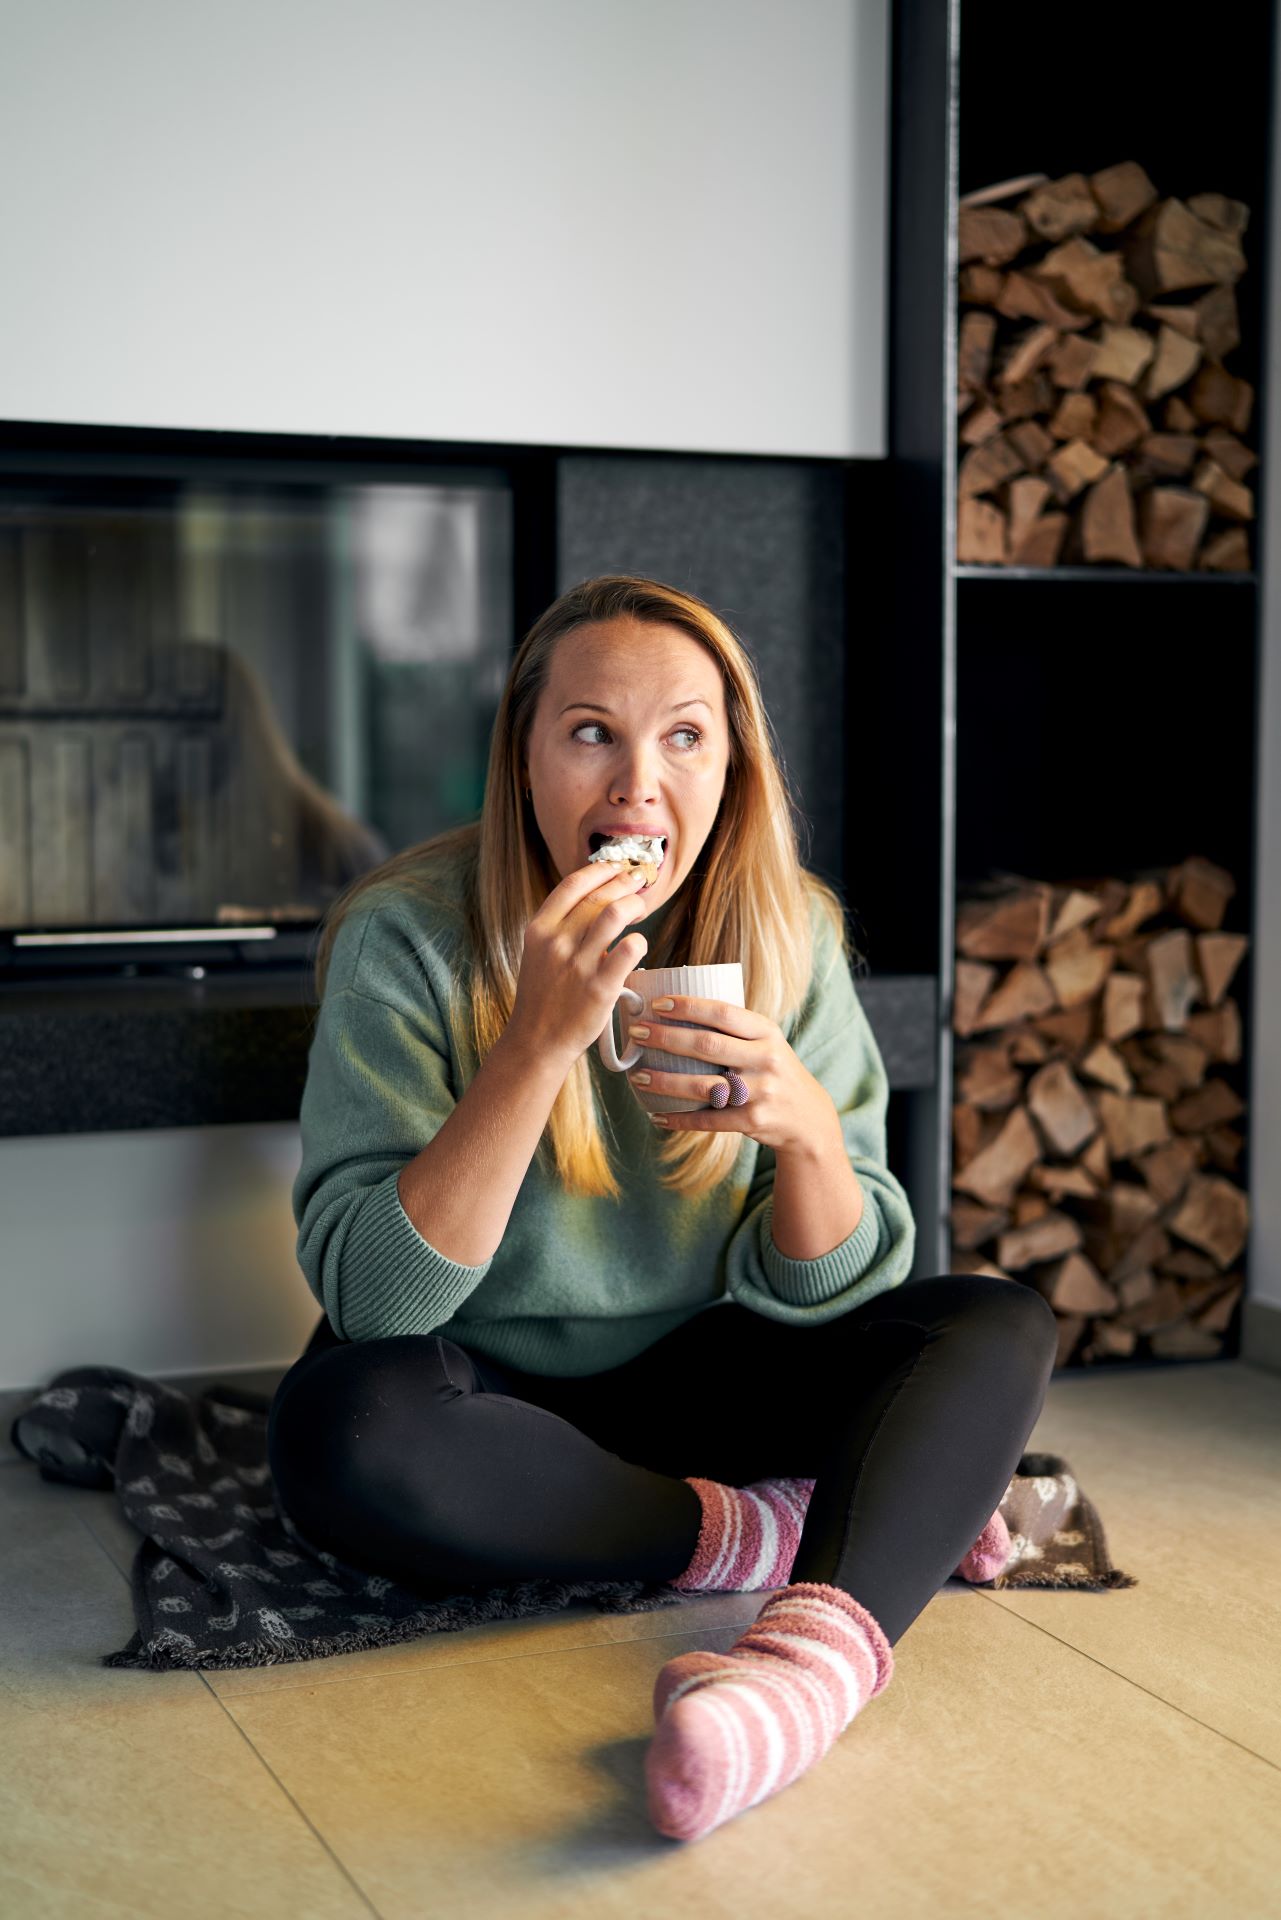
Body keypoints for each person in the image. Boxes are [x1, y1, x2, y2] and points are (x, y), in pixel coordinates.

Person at [268, 573, 1059, 1844]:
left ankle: (802, 1676)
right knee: (336, 1436)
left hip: (716, 1365)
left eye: (684, 736)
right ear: (524, 756)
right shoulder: (404, 939)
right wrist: (532, 1047)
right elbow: (376, 1303)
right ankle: (769, 1530)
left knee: (997, 1326)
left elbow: (835, 1296)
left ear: (731, 763)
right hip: (490, 1389)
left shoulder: (789, 929)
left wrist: (804, 1129)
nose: (639, 785)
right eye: (591, 732)